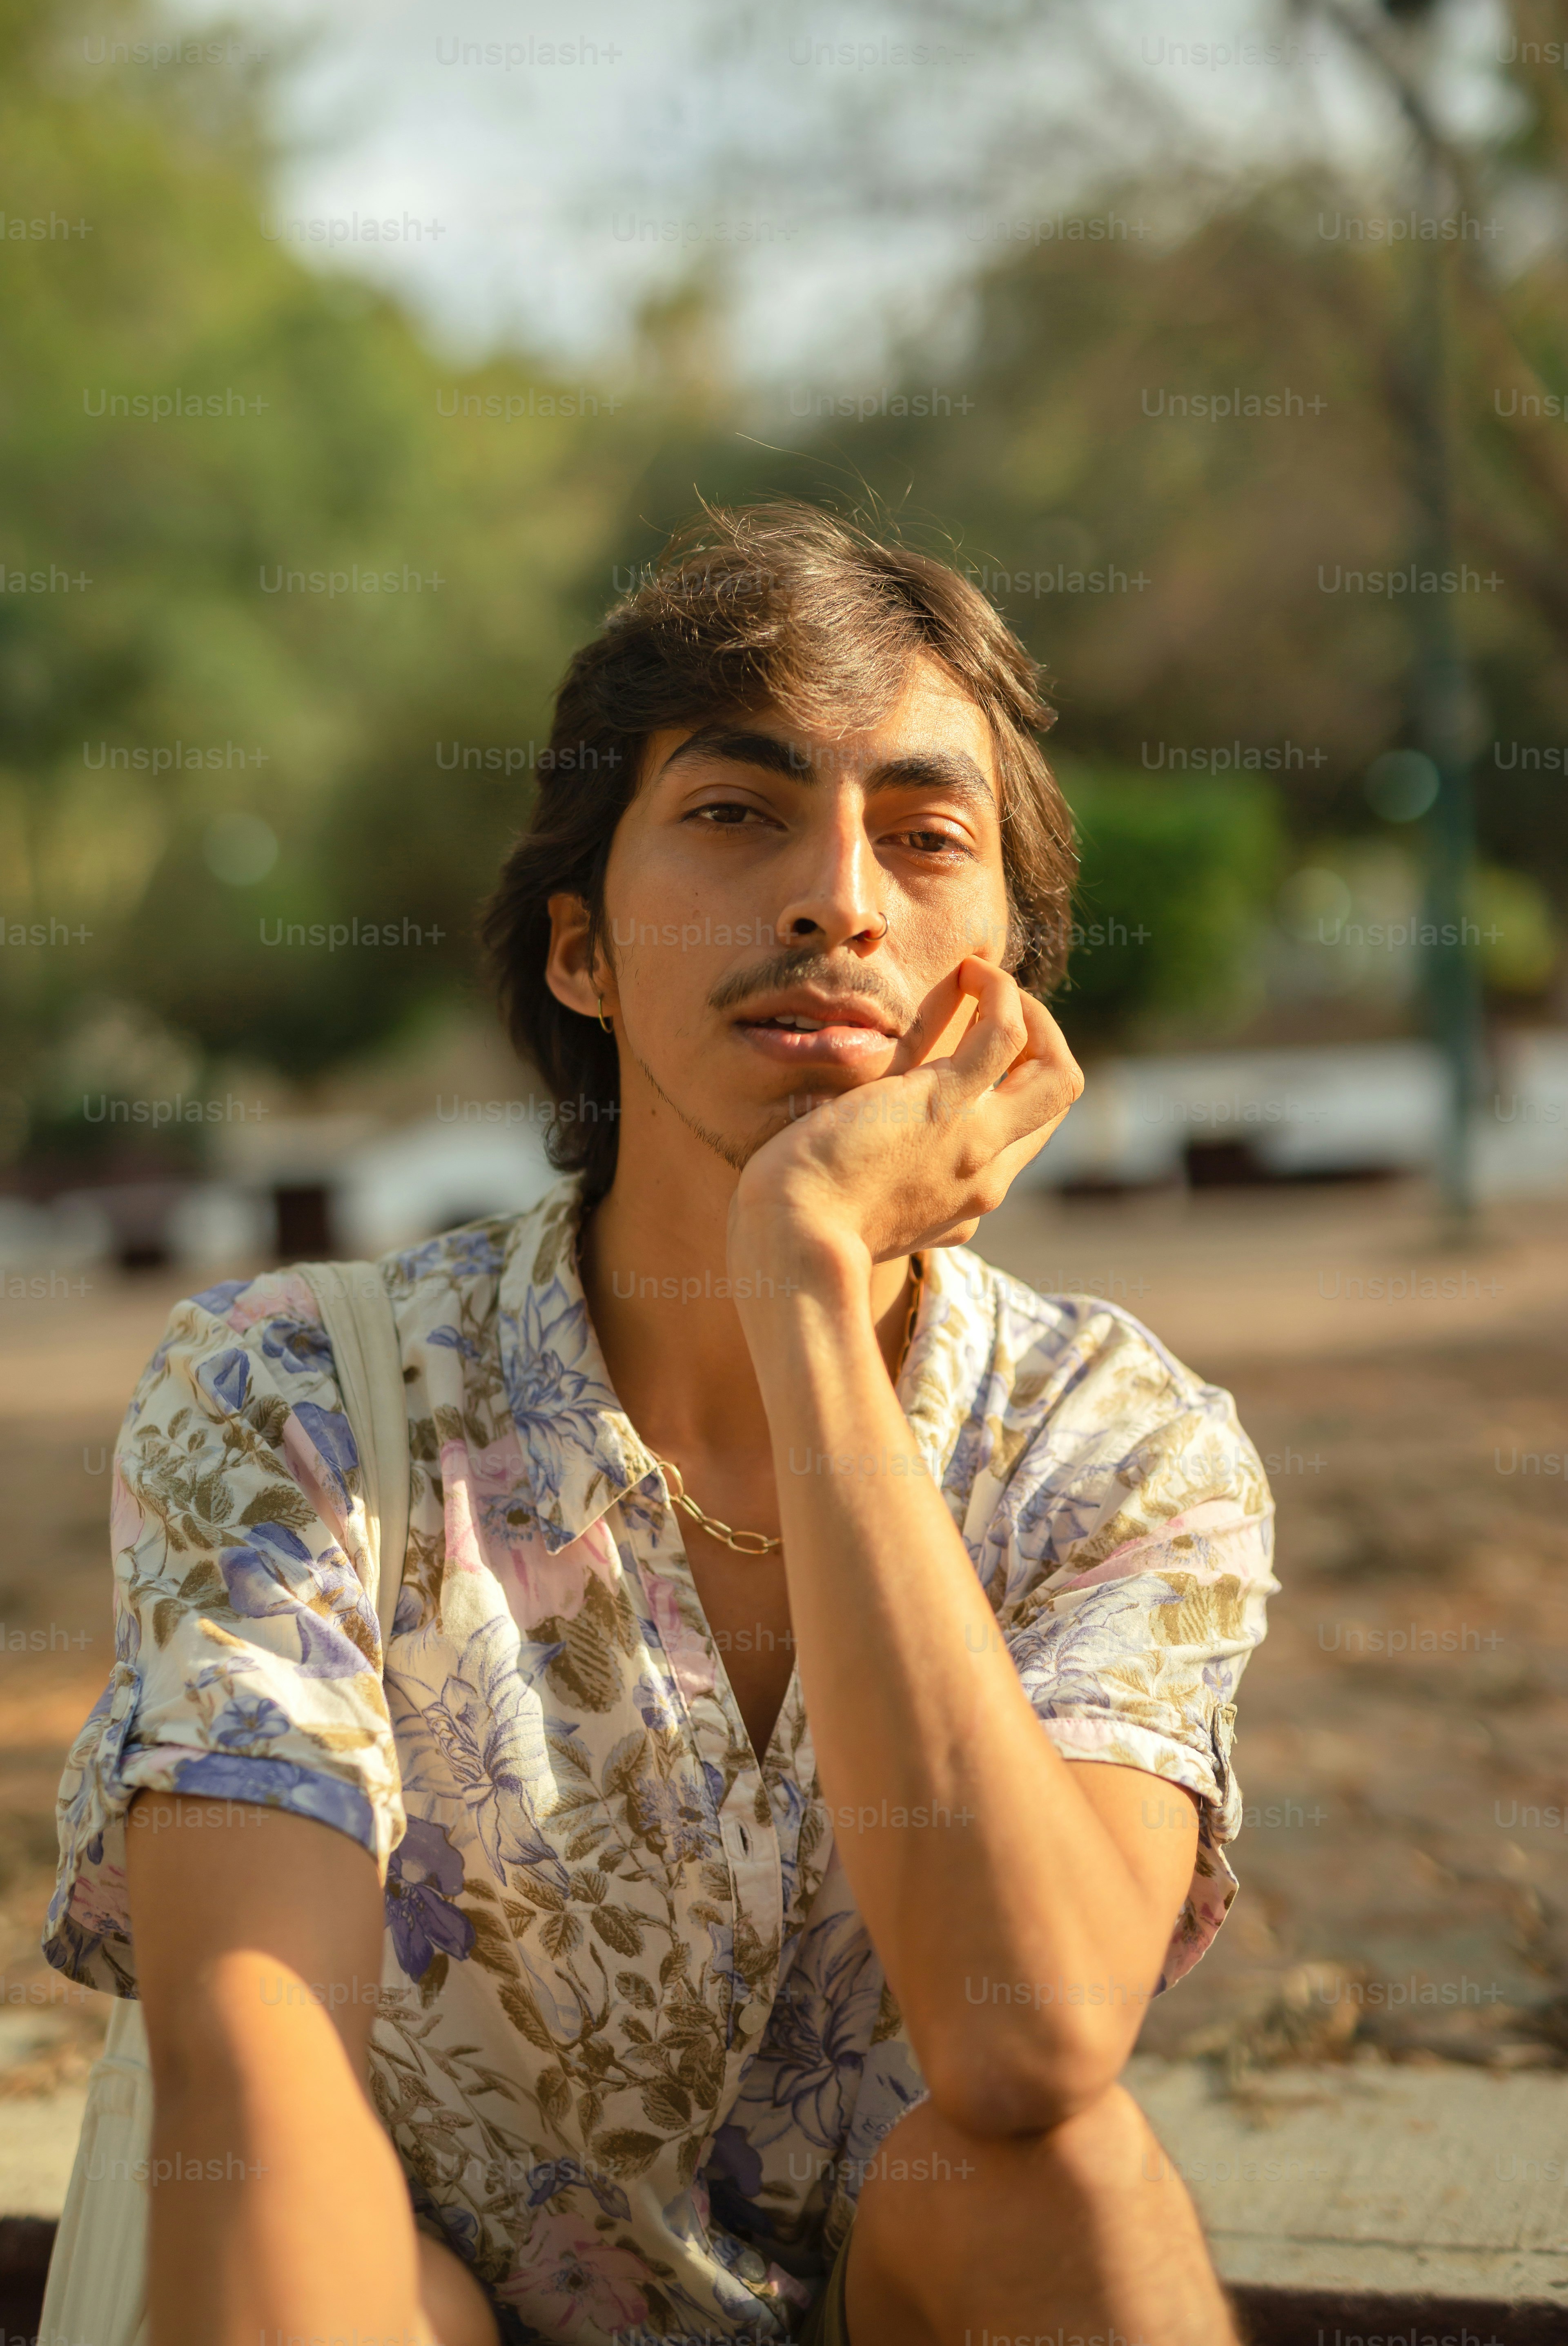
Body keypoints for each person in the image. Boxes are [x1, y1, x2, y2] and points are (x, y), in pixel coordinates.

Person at [46, 502, 1276, 2346]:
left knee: (1072, 2186)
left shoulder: (1117, 1446)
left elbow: (1030, 2044)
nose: (839, 900)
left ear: (1008, 982)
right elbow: (254, 2090)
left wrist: (804, 1282)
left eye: (926, 838)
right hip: (415, 2311)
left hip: (910, 2301)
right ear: (581, 955)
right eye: (735, 812)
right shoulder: (295, 1392)